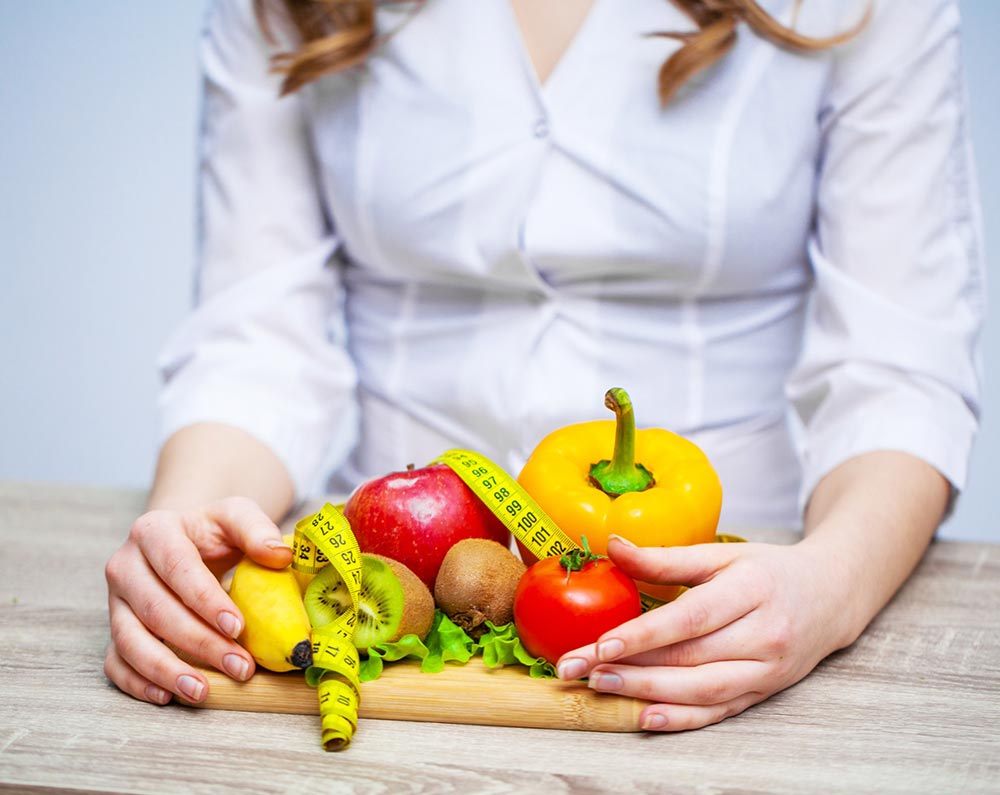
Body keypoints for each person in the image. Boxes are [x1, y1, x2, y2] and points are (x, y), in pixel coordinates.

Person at [104, 0, 985, 732]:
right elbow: (257, 339)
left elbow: (899, 365)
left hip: (735, 617)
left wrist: (828, 584)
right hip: (381, 607)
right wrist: (181, 537)